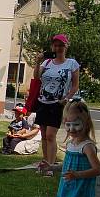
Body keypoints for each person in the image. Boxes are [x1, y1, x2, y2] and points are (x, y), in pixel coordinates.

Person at [33, 34, 80, 175]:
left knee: (50, 135)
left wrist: (67, 98)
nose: (58, 48)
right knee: (43, 135)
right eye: (56, 45)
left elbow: (75, 85)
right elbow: (36, 77)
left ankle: (50, 166)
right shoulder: (46, 63)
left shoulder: (72, 63)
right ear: (52, 46)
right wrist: (37, 62)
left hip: (57, 103)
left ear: (66, 46)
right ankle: (45, 161)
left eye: (61, 45)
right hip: (42, 102)